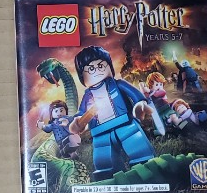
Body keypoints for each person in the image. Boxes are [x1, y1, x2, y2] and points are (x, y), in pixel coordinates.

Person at [69, 46, 162, 180]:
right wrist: (78, 123)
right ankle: (108, 177)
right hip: (100, 132)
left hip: (124, 124)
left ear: (109, 67)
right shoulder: (87, 96)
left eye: (101, 66)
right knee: (104, 160)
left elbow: (135, 94)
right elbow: (82, 114)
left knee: (137, 147)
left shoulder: (117, 84)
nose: (97, 71)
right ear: (82, 76)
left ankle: (146, 167)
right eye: (91, 69)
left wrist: (139, 104)